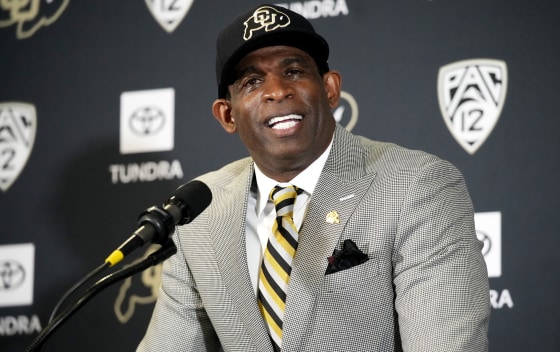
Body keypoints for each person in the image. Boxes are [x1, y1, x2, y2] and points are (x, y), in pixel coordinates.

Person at [137, 4, 490, 351]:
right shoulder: (199, 214)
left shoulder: (418, 186)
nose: (277, 90)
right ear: (227, 115)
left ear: (331, 89)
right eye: (252, 81)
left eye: (293, 71)